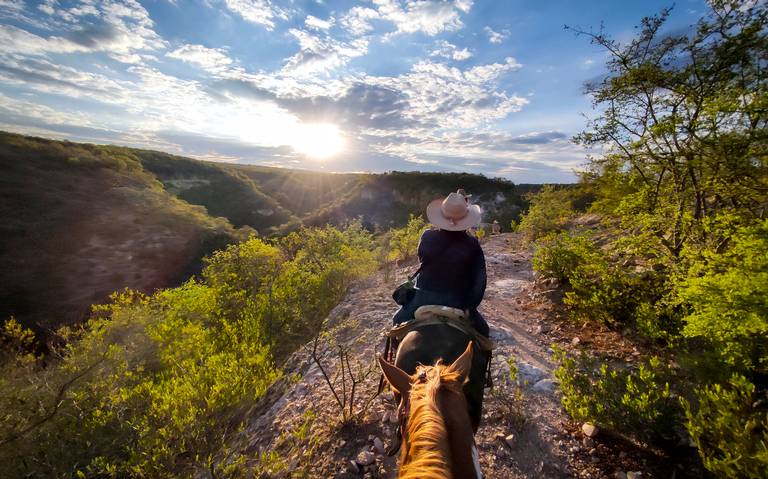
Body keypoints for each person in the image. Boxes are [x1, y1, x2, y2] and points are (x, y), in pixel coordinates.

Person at [392, 190, 489, 337]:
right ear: (466, 218)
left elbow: (422, 260)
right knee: (484, 332)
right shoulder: (472, 244)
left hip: (423, 297)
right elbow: (480, 279)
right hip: (459, 300)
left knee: (397, 321)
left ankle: (391, 356)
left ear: (441, 217)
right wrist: (471, 305)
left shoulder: (427, 236)